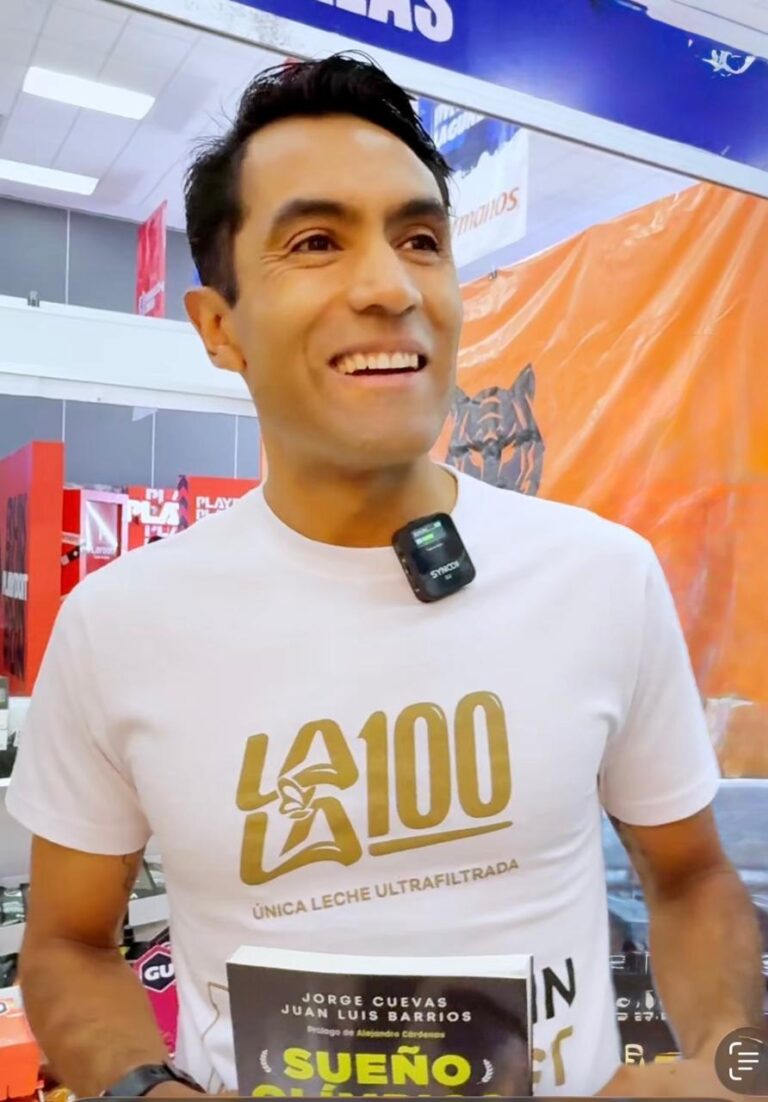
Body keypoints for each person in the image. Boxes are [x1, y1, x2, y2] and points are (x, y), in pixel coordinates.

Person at [7, 55, 763, 1100]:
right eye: (316, 242)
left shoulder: (600, 575)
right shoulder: (119, 626)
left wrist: (733, 1066)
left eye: (421, 240)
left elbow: (691, 877)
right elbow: (65, 944)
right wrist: (148, 1090)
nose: (391, 287)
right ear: (219, 327)